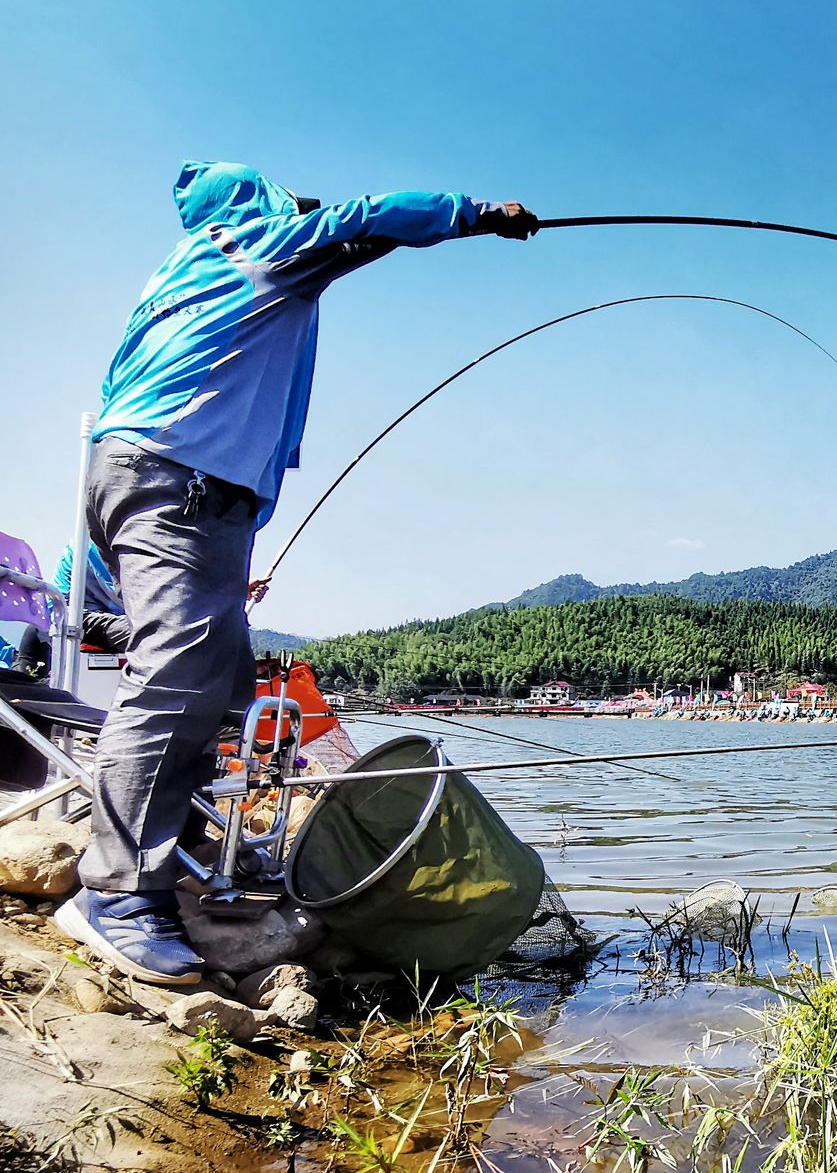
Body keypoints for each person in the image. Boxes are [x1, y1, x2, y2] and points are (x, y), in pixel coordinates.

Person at [54, 162, 539, 986]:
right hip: (183, 479)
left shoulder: (178, 274)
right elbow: (369, 217)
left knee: (227, 680)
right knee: (177, 679)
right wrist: (480, 211)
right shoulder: (254, 242)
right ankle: (119, 891)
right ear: (257, 204)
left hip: (150, 475)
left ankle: (176, 847)